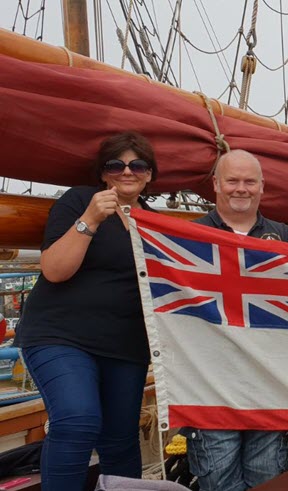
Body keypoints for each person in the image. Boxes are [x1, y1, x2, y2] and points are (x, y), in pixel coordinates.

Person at [14, 131, 159, 490]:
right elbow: (54, 269)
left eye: (137, 165)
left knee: (121, 438)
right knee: (78, 419)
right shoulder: (79, 200)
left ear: (150, 174)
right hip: (61, 336)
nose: (127, 172)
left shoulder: (158, 224)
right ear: (103, 172)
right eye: (116, 165)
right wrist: (90, 219)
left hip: (125, 346)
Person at [185, 149, 288, 491]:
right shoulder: (186, 238)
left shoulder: (285, 238)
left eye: (250, 181)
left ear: (262, 187)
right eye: (232, 181)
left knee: (269, 480)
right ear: (216, 185)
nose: (241, 189)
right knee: (218, 483)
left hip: (269, 381)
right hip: (210, 384)